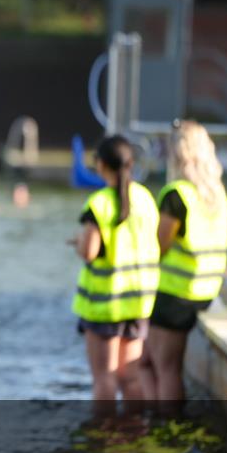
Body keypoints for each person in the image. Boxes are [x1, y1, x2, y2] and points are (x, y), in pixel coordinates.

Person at [139, 120, 227, 405]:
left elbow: (160, 245)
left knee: (159, 367)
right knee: (161, 365)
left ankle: (164, 431)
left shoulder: (176, 194)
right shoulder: (216, 194)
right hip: (205, 290)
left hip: (175, 293)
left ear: (177, 153)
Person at [70, 136, 159, 406]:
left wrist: (78, 242)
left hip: (105, 305)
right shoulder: (145, 198)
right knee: (130, 378)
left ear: (101, 165)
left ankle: (104, 439)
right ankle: (134, 434)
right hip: (138, 302)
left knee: (104, 378)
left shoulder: (99, 203)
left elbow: (89, 251)